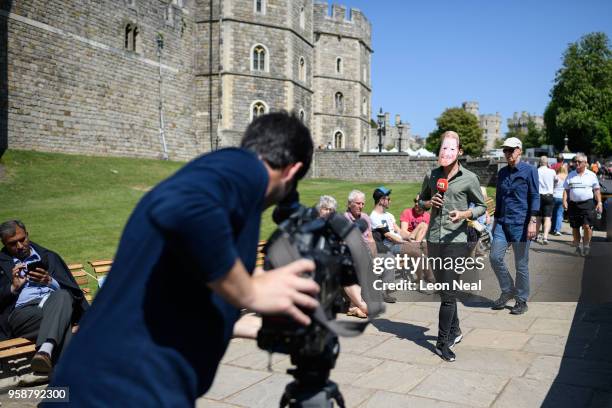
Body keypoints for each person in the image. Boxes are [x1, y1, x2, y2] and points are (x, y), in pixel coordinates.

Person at [48, 112, 320, 406]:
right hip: (120, 390)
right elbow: (183, 207)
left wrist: (238, 324)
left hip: (107, 384)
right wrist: (248, 291)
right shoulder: (246, 168)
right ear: (292, 171)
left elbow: (179, 285)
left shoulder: (229, 178)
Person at [419, 131, 486, 361]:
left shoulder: (470, 178)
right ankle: (455, 330)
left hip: (457, 241)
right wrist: (428, 202)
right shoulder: (431, 175)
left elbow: (481, 206)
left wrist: (465, 213)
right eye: (443, 149)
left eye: (451, 149)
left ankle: (442, 342)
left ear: (459, 152)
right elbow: (419, 204)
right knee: (445, 291)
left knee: (448, 294)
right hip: (434, 240)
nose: (446, 152)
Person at [0, 220, 88, 374]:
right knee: (62, 319)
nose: (20, 246)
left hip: (55, 306)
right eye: (13, 244)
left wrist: (50, 281)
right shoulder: (2, 265)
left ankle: (46, 355)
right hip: (23, 314)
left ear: (27, 235)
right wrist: (13, 287)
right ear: (4, 244)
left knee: (62, 295)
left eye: (22, 240)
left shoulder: (49, 256)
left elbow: (74, 292)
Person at [490, 137, 539, 315]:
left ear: (519, 150)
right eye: (505, 150)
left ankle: (521, 300)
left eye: (511, 150)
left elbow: (535, 195)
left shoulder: (530, 171)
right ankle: (508, 289)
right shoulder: (502, 173)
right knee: (495, 257)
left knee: (521, 264)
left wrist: (533, 221)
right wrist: (495, 221)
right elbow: (499, 198)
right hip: (502, 222)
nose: (508, 153)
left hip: (522, 223)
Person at [563, 152, 602, 257]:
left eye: (579, 161)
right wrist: (564, 201)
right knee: (575, 227)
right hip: (573, 205)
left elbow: (597, 190)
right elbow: (566, 190)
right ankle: (577, 247)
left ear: (585, 163)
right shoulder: (570, 175)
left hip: (587, 204)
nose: (577, 163)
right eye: (575, 161)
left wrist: (599, 202)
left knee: (587, 226)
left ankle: (586, 246)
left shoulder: (592, 175)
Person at [536, 156, 556, 244]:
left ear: (539, 162)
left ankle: (536, 236)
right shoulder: (552, 171)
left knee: (538, 218)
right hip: (549, 196)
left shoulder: (536, 171)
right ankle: (545, 237)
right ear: (547, 163)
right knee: (548, 217)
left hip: (538, 196)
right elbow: (556, 181)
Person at [551, 165, 568, 236]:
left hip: (554, 196)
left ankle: (552, 229)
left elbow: (552, 185)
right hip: (562, 197)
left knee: (553, 213)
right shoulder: (567, 177)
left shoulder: (556, 176)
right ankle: (557, 230)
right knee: (559, 214)